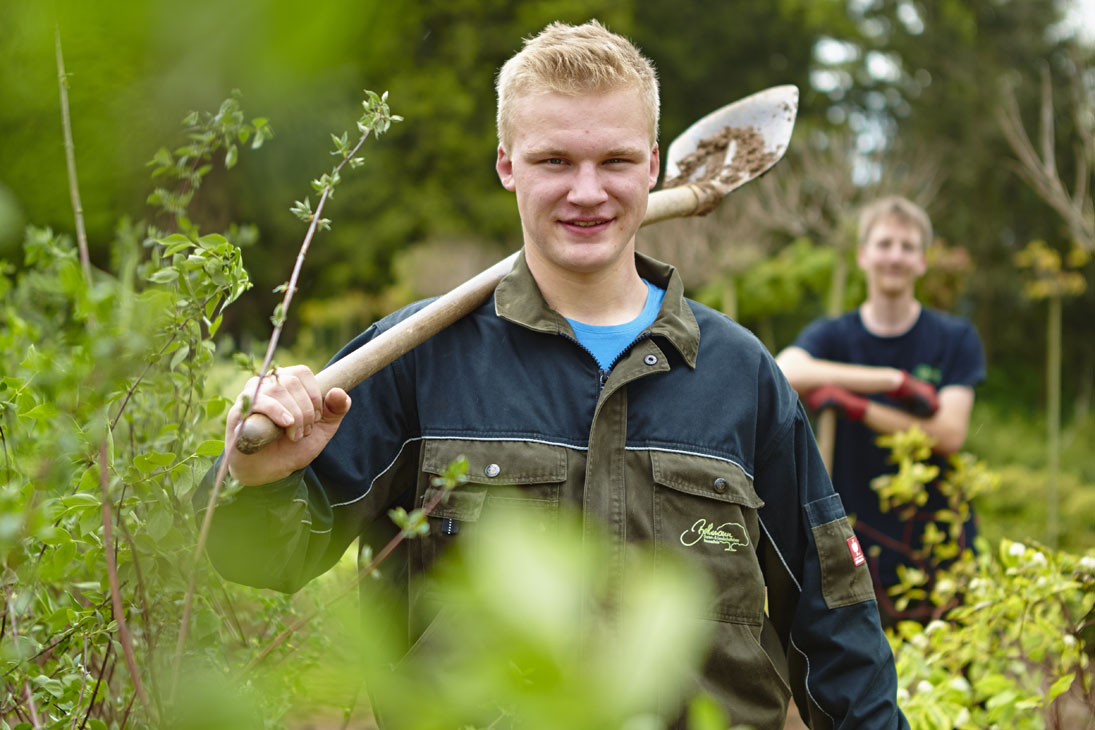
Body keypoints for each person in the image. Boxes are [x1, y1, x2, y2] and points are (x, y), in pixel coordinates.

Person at [196, 21, 908, 729]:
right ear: (507, 165)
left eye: (615, 160)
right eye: (554, 161)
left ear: (653, 165)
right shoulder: (418, 359)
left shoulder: (739, 374)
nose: (587, 192)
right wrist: (257, 479)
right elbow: (258, 557)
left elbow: (833, 618)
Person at [775, 196, 986, 625]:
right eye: (885, 243)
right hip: (853, 537)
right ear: (863, 255)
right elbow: (784, 370)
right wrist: (891, 381)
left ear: (922, 261)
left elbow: (949, 433)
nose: (895, 256)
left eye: (907, 247)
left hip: (937, 538)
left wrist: (858, 407)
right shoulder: (833, 335)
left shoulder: (955, 337)